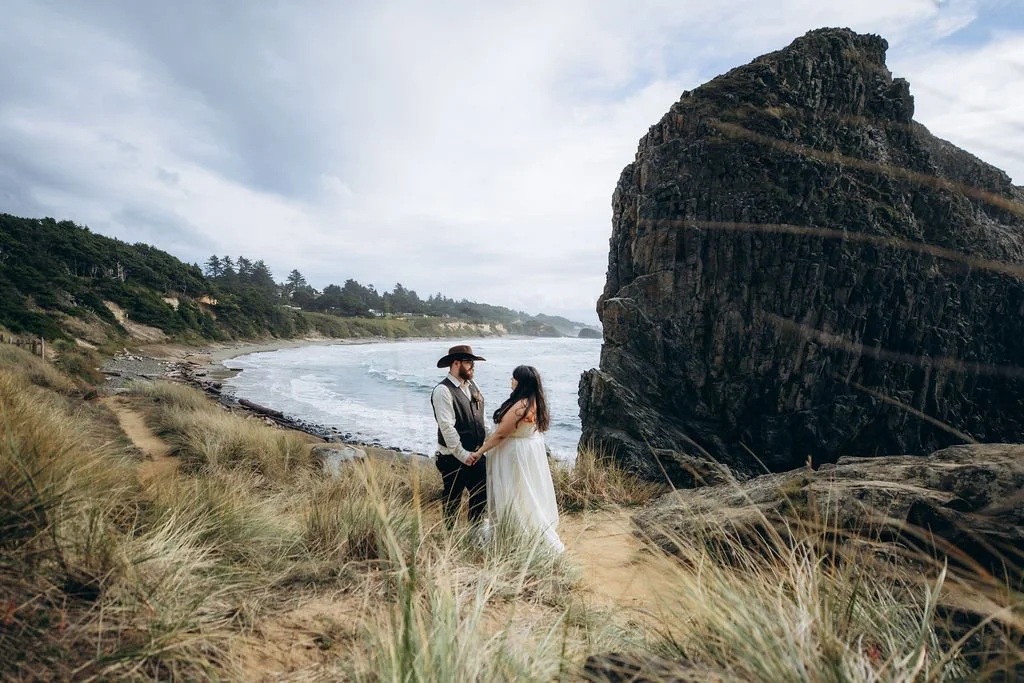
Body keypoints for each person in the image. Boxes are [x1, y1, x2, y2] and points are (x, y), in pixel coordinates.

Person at [469, 365, 564, 553]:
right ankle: (516, 528)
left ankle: (514, 534)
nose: (510, 381)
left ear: (521, 382)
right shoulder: (533, 402)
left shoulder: (520, 407)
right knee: (520, 494)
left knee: (510, 492)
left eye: (513, 378)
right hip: (521, 454)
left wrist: (479, 452)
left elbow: (499, 435)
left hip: (511, 457)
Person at [430, 344, 489, 525]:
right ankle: (449, 536)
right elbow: (447, 428)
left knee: (482, 494)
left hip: (477, 454)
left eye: (472, 362)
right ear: (456, 363)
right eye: (468, 362)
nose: (472, 366)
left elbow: (482, 420)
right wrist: (463, 455)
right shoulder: (443, 391)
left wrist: (488, 445)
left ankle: (474, 532)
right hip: (452, 458)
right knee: (452, 499)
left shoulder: (472, 386)